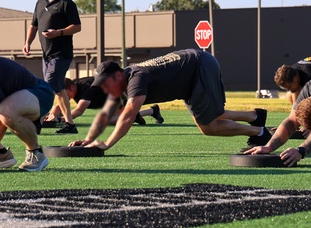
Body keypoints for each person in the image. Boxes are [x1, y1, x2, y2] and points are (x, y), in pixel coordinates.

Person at [69, 49, 271, 151]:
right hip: (191, 74)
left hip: (199, 66)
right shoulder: (127, 79)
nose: (104, 88)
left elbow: (129, 115)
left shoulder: (136, 80)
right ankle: (255, 116)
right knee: (211, 116)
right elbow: (107, 115)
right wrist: (88, 140)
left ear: (118, 76)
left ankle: (260, 133)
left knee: (209, 126)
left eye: (105, 83)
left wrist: (107, 144)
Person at [22, 0, 82, 135]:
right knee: (57, 88)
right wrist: (27, 42)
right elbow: (33, 24)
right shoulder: (40, 2)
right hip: (46, 54)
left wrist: (59, 32)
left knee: (48, 85)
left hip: (61, 53)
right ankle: (69, 124)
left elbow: (77, 26)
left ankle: (38, 121)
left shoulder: (66, 3)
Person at [43, 76, 164, 126]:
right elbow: (60, 105)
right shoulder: (71, 86)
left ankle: (140, 114)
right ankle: (152, 111)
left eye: (64, 93)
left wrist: (62, 119)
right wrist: (52, 115)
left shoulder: (85, 88)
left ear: (72, 88)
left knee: (113, 121)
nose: (63, 96)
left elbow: (79, 110)